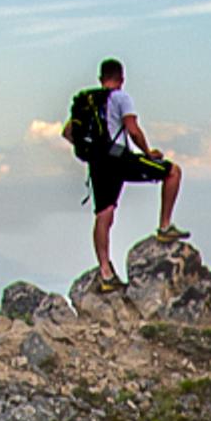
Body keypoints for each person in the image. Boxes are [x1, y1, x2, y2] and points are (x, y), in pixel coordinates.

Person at [78, 56, 182, 285]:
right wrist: (147, 152)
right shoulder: (121, 97)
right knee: (172, 172)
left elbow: (68, 132)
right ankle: (164, 226)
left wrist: (90, 152)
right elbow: (132, 129)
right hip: (119, 158)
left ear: (100, 78)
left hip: (97, 162)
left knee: (104, 214)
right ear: (121, 78)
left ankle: (105, 271)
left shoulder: (87, 102)